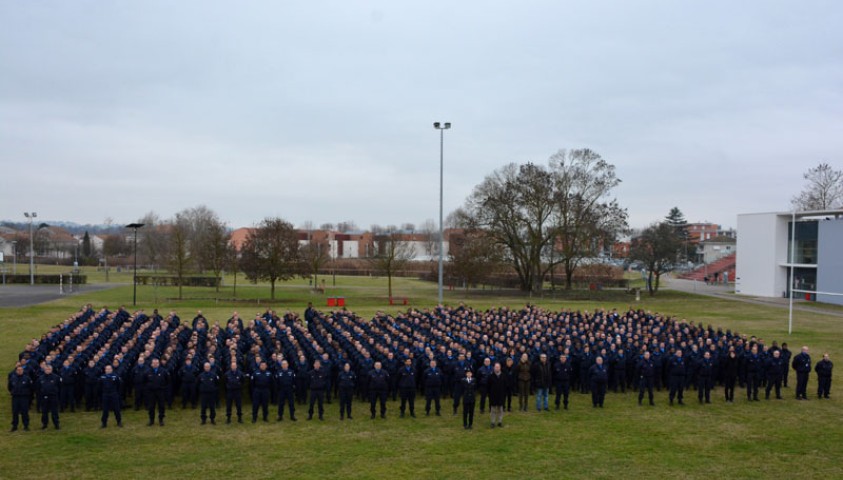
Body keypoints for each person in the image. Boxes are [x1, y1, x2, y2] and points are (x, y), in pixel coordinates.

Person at [143, 358, 169, 426]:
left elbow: (168, 380)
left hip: (160, 391)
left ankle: (161, 420)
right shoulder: (147, 372)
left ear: (159, 363)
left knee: (161, 406)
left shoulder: (163, 371)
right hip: (151, 392)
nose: (155, 364)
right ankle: (151, 420)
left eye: (157, 363)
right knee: (151, 407)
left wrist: (163, 387)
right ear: (151, 364)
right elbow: (144, 381)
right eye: (154, 363)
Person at [8, 364, 33, 432]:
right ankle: (14, 426)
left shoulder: (27, 378)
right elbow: (10, 387)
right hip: (15, 397)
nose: (19, 371)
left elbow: (30, 388)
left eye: (21, 370)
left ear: (23, 370)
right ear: (16, 371)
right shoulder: (12, 378)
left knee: (24, 412)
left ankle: (26, 426)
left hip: (24, 398)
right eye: (18, 370)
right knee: (15, 412)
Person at [38, 364, 61, 430]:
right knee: (44, 412)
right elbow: (38, 388)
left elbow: (60, 386)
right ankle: (44, 424)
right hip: (44, 397)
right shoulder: (40, 378)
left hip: (53, 397)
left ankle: (56, 424)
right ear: (44, 370)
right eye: (46, 369)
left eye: (49, 369)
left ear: (51, 370)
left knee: (54, 412)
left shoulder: (56, 377)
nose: (47, 370)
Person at [487, 362, 507, 428]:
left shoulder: (504, 376)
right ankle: (492, 422)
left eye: (498, 367)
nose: (497, 368)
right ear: (494, 368)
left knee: (500, 409)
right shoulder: (490, 376)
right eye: (496, 367)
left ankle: (499, 421)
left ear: (500, 368)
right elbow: (488, 386)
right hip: (493, 396)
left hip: (501, 395)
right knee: (493, 410)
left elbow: (506, 386)